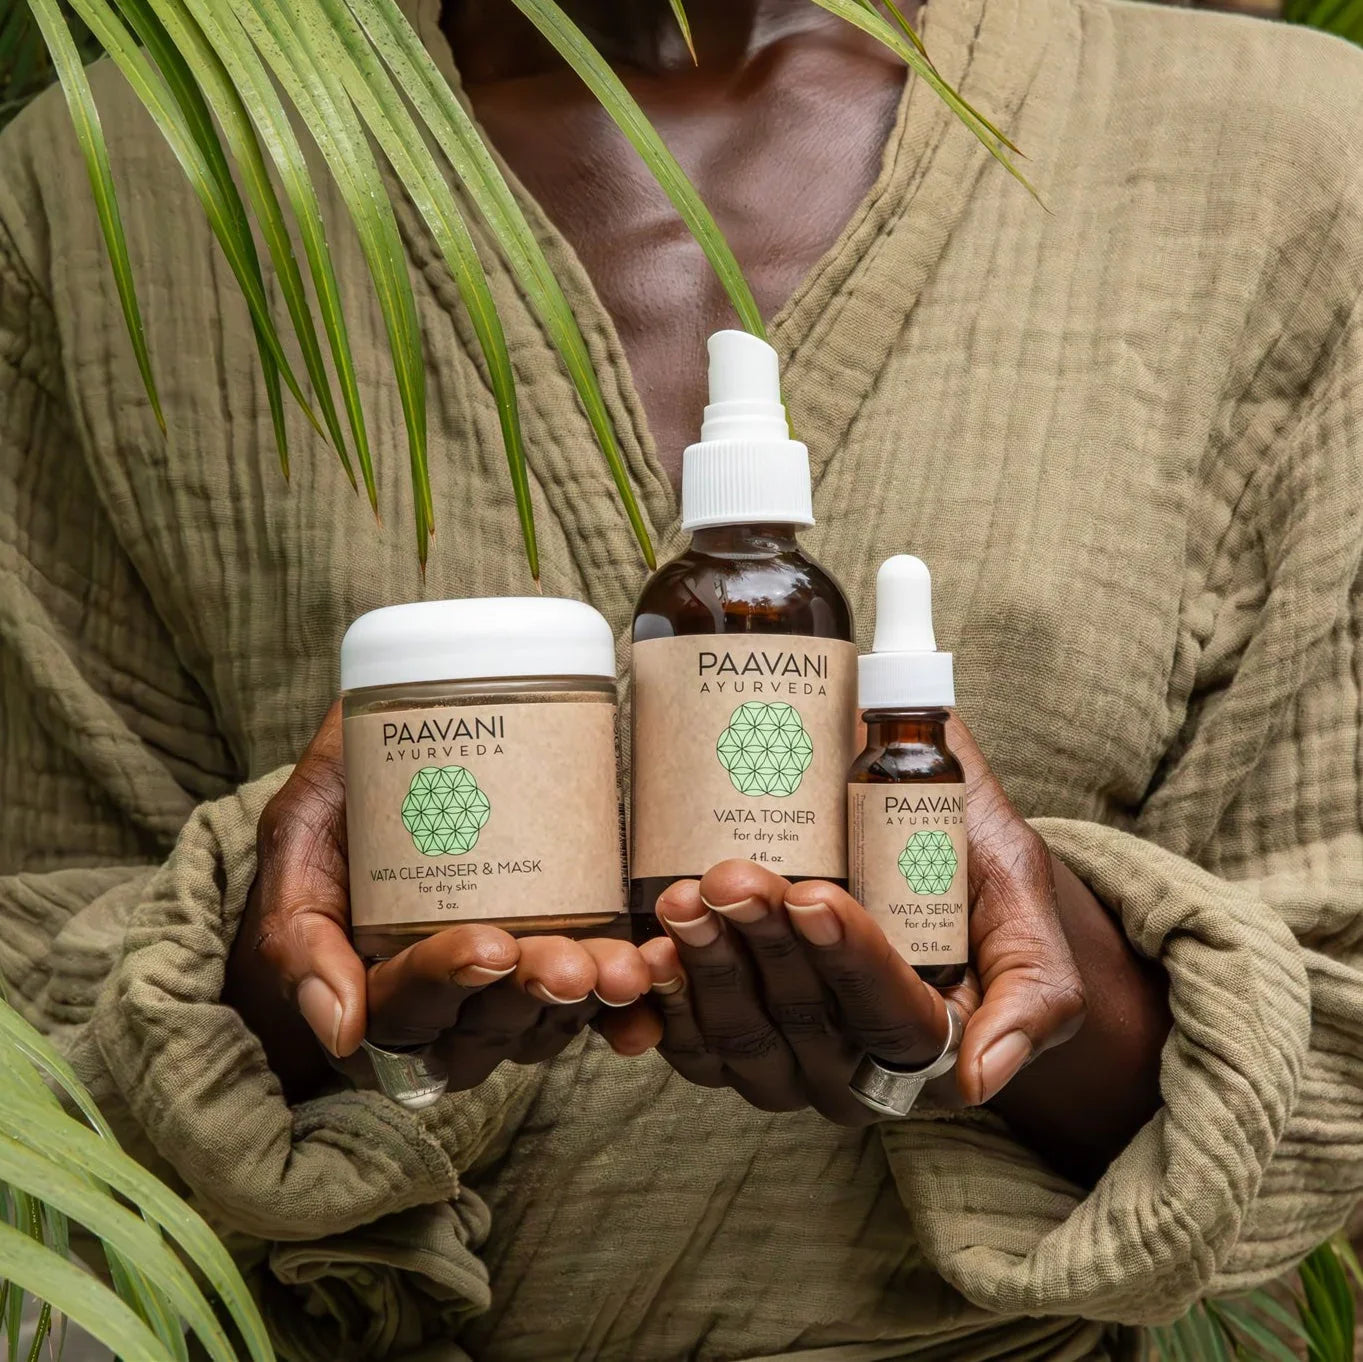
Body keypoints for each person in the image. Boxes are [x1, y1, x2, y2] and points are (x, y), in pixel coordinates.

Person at [2, 0, 1361, 1357]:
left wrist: (1028, 977)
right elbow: (35, 1022)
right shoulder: (117, 181)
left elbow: (1337, 1035)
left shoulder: (1285, 164)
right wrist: (281, 975)